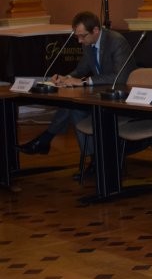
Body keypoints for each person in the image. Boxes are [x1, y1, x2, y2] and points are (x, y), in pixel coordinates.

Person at [18, 11, 134, 177]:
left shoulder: (116, 41)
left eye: (82, 36)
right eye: (77, 36)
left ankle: (46, 139)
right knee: (74, 108)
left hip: (121, 97)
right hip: (100, 95)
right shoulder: (88, 43)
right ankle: (95, 160)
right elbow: (81, 70)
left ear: (96, 30)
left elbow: (120, 77)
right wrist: (66, 78)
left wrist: (85, 81)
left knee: (74, 104)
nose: (79, 41)